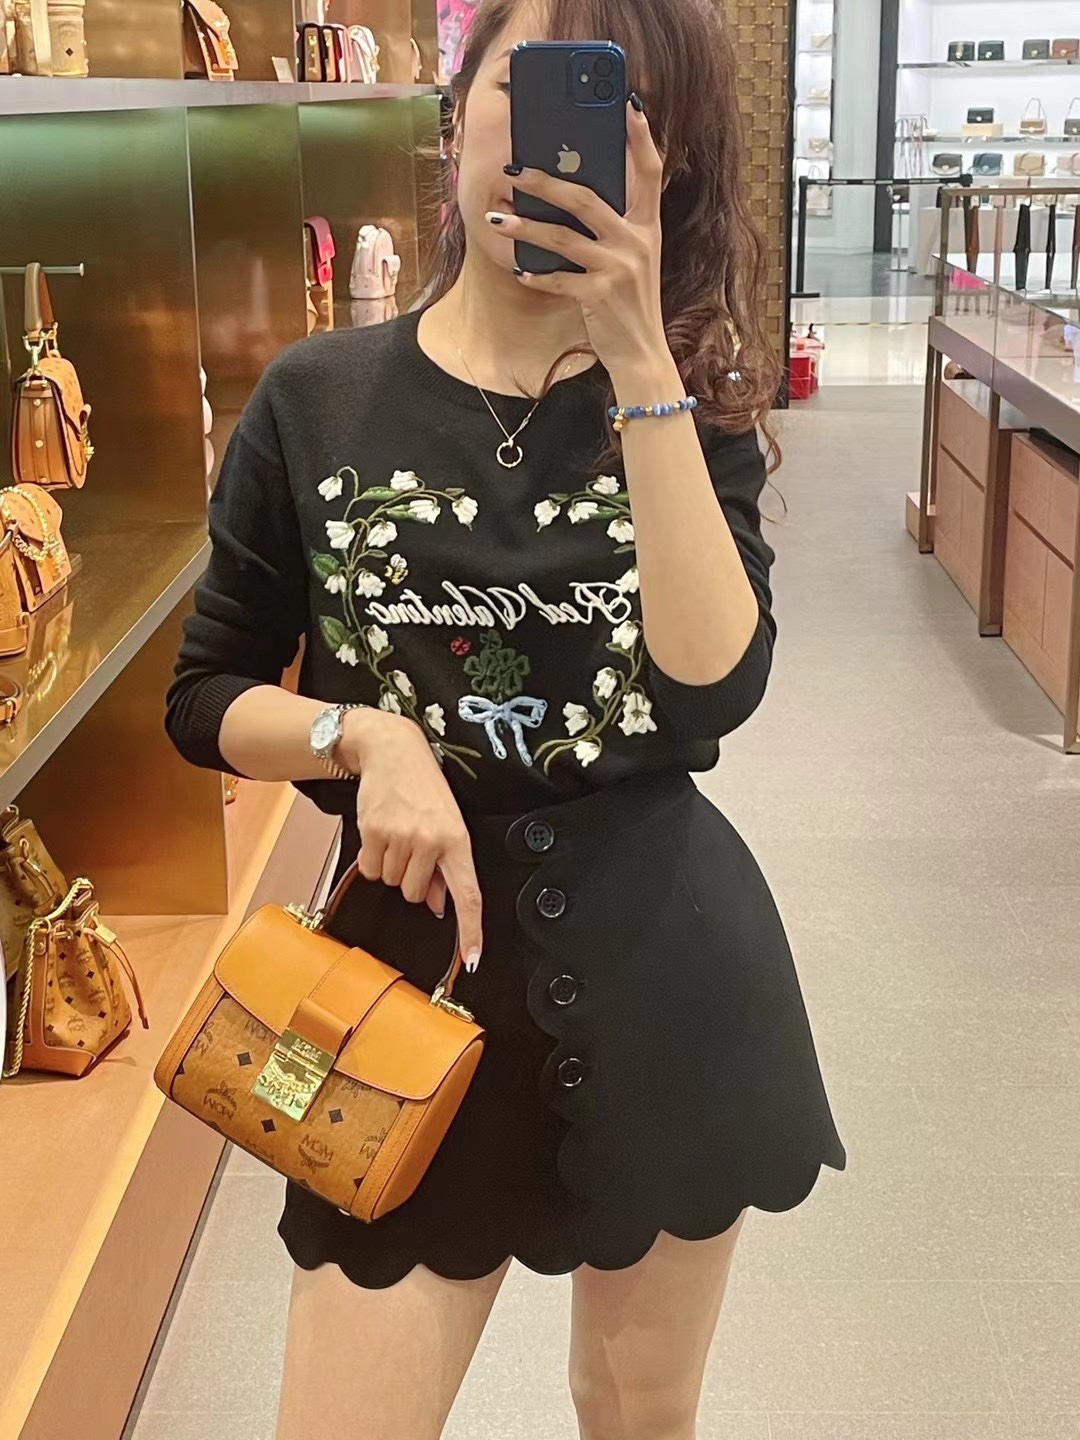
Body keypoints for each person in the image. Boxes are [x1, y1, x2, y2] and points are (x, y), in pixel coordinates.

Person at [165, 0, 847, 1434]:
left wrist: (640, 359)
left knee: (639, 1412)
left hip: (668, 978)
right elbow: (205, 692)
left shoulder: (692, 408)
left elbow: (715, 687)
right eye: (520, 90)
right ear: (456, 109)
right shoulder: (317, 399)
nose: (549, 148)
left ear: (665, 164)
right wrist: (362, 738)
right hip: (396, 992)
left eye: (616, 110)